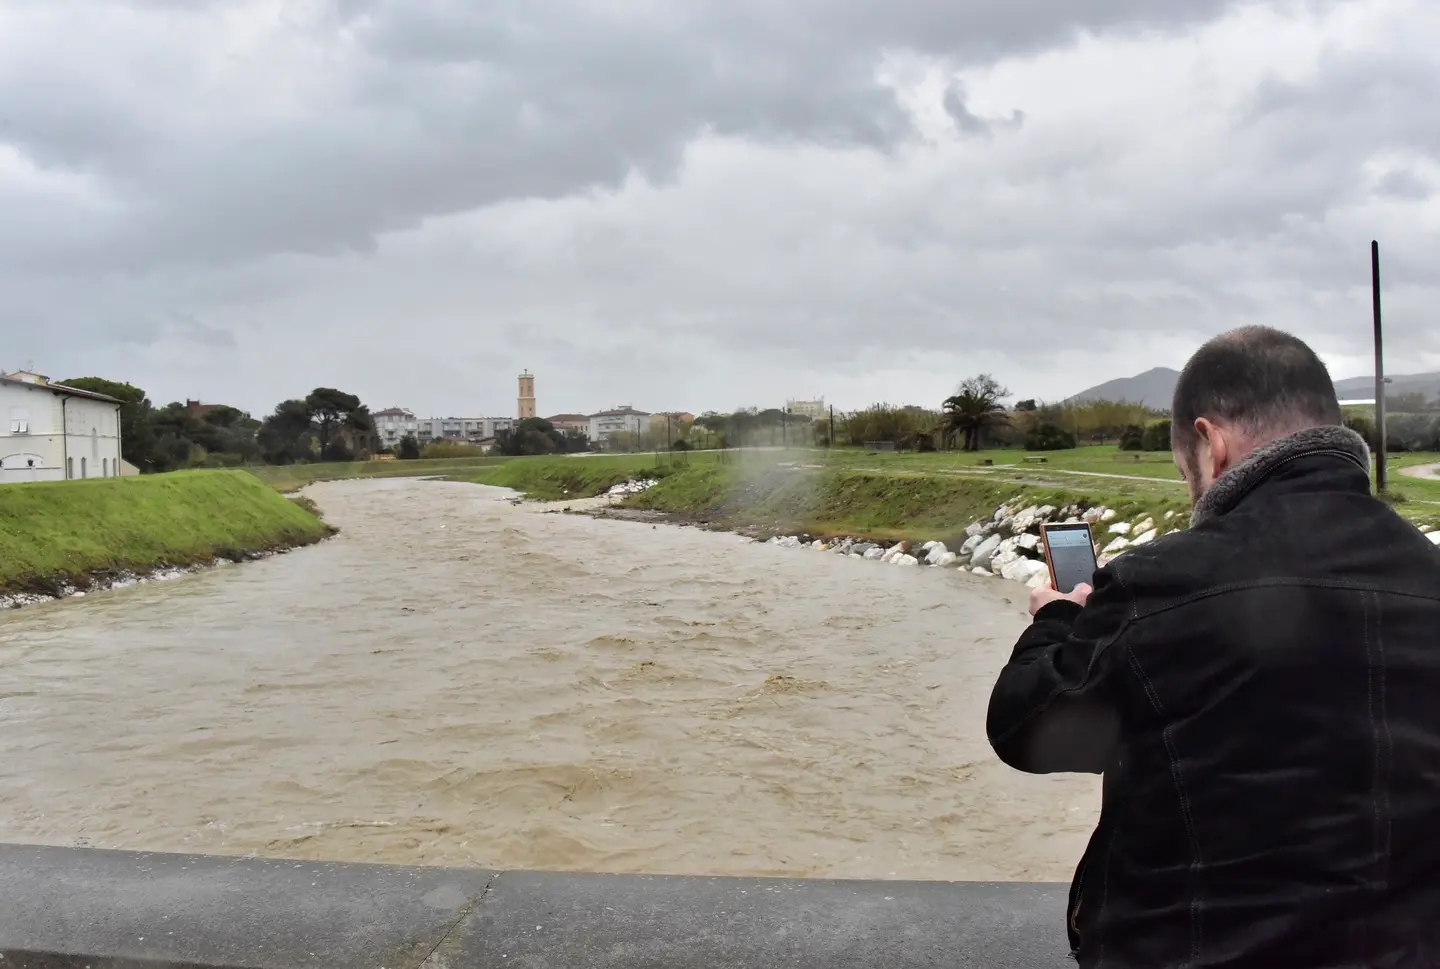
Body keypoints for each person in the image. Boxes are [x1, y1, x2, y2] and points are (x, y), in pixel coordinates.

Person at [986, 326, 1440, 968]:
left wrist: (1058, 619)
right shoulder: (1429, 576)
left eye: (1186, 475)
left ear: (1212, 443)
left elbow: (1025, 727)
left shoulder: (1161, 585)